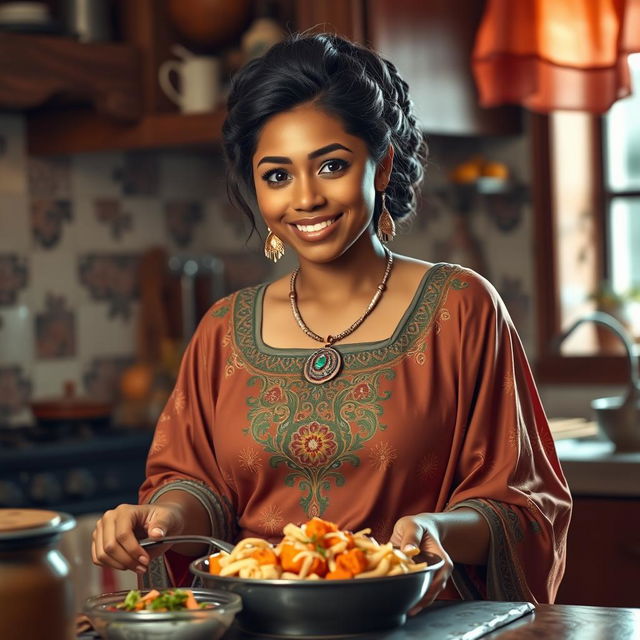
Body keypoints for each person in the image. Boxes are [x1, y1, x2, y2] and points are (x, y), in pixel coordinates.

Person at [92, 32, 572, 608]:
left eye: (332, 165)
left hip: (410, 622)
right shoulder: (224, 328)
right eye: (277, 175)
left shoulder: (460, 308)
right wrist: (162, 516)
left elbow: (521, 503)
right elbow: (200, 486)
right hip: (258, 623)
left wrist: (438, 530)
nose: (306, 198)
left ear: (382, 165)